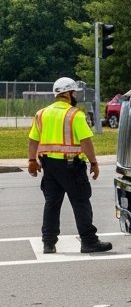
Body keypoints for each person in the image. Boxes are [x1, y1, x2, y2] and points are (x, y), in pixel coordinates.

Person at [26, 77, 111, 254]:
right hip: (72, 166)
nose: (75, 96)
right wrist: (94, 163)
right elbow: (86, 142)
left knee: (52, 203)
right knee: (80, 202)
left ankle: (48, 243)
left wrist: (32, 161)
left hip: (49, 166)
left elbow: (33, 140)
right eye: (74, 92)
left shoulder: (41, 114)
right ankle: (88, 241)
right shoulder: (75, 114)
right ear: (68, 93)